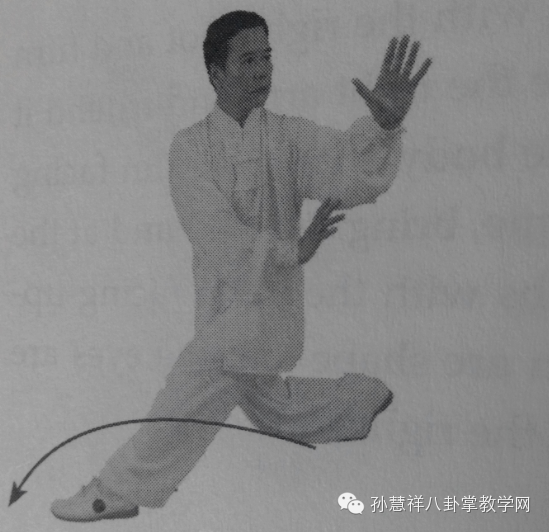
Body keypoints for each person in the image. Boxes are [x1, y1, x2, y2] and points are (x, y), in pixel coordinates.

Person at [51, 10, 431, 522]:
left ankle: (117, 489)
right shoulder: (189, 148)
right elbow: (212, 232)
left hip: (269, 314)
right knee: (269, 408)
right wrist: (289, 251)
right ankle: (359, 403)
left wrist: (384, 126)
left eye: (267, 57)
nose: (262, 70)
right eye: (248, 60)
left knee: (191, 380)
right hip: (221, 313)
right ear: (216, 72)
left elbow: (345, 166)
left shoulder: (288, 137)